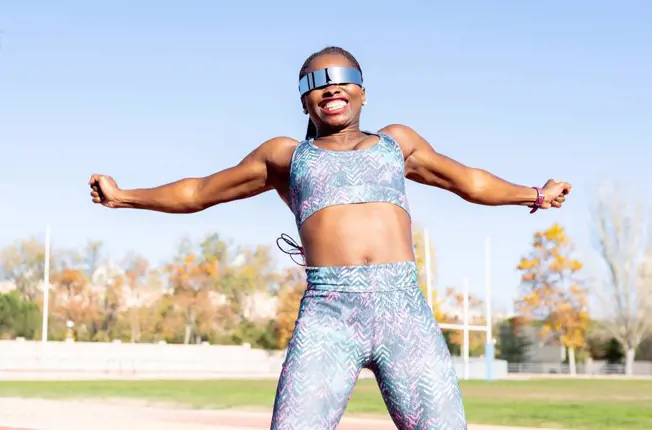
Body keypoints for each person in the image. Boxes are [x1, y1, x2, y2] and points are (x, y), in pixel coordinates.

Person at [89, 46, 570, 430]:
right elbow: (199, 191)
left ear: (362, 91)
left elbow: (469, 181)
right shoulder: (283, 156)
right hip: (329, 314)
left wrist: (534, 194)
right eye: (316, 81)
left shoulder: (397, 143)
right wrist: (124, 196)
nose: (330, 86)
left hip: (403, 310)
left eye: (342, 76)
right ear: (303, 100)